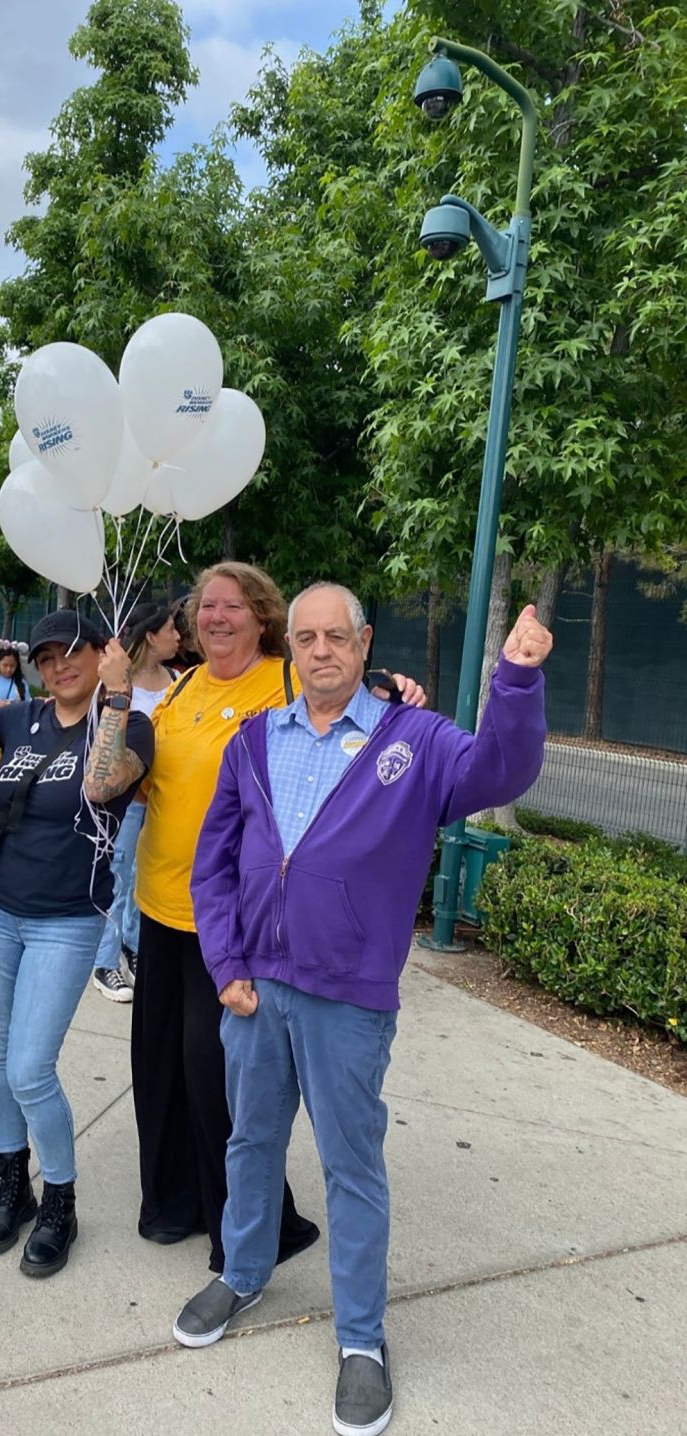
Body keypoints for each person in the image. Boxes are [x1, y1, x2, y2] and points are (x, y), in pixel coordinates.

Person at [172, 585, 551, 1436]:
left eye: (335, 637)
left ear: (363, 640)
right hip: (256, 989)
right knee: (250, 1142)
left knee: (351, 1169)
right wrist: (226, 962)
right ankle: (241, 1271)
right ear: (292, 647)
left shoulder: (413, 742)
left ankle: (362, 1344)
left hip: (348, 996)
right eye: (304, 638)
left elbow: (500, 770)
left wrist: (517, 680)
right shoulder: (254, 740)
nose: (319, 652)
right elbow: (215, 863)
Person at [131, 561, 425, 1280]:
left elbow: (358, 706)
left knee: (217, 1078)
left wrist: (396, 692)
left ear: (264, 620)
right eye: (206, 607)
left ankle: (256, 1232)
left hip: (233, 920)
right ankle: (175, 1203)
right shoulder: (183, 689)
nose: (216, 617)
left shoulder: (285, 680)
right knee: (159, 1068)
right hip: (160, 905)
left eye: (233, 606)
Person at [0, 610, 154, 1279]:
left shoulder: (129, 726)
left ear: (100, 655)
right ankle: (12, 1182)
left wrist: (119, 694)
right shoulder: (12, 720)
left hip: (67, 920)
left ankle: (61, 1202)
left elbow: (104, 785)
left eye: (71, 653)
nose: (57, 666)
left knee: (29, 1068)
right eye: (45, 657)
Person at [91, 603, 180, 1003]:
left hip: (165, 799)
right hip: (128, 801)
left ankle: (134, 945)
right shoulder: (115, 684)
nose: (179, 637)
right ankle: (104, 961)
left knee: (146, 876)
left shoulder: (180, 680)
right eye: (170, 630)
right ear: (150, 637)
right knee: (118, 874)